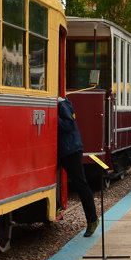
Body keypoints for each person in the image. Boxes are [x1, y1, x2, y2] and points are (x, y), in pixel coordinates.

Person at [56, 96, 99, 237]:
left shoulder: (62, 104)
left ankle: (92, 220)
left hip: (71, 150)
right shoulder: (60, 103)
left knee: (81, 184)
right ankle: (56, 207)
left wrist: (51, 116)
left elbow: (68, 125)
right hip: (63, 150)